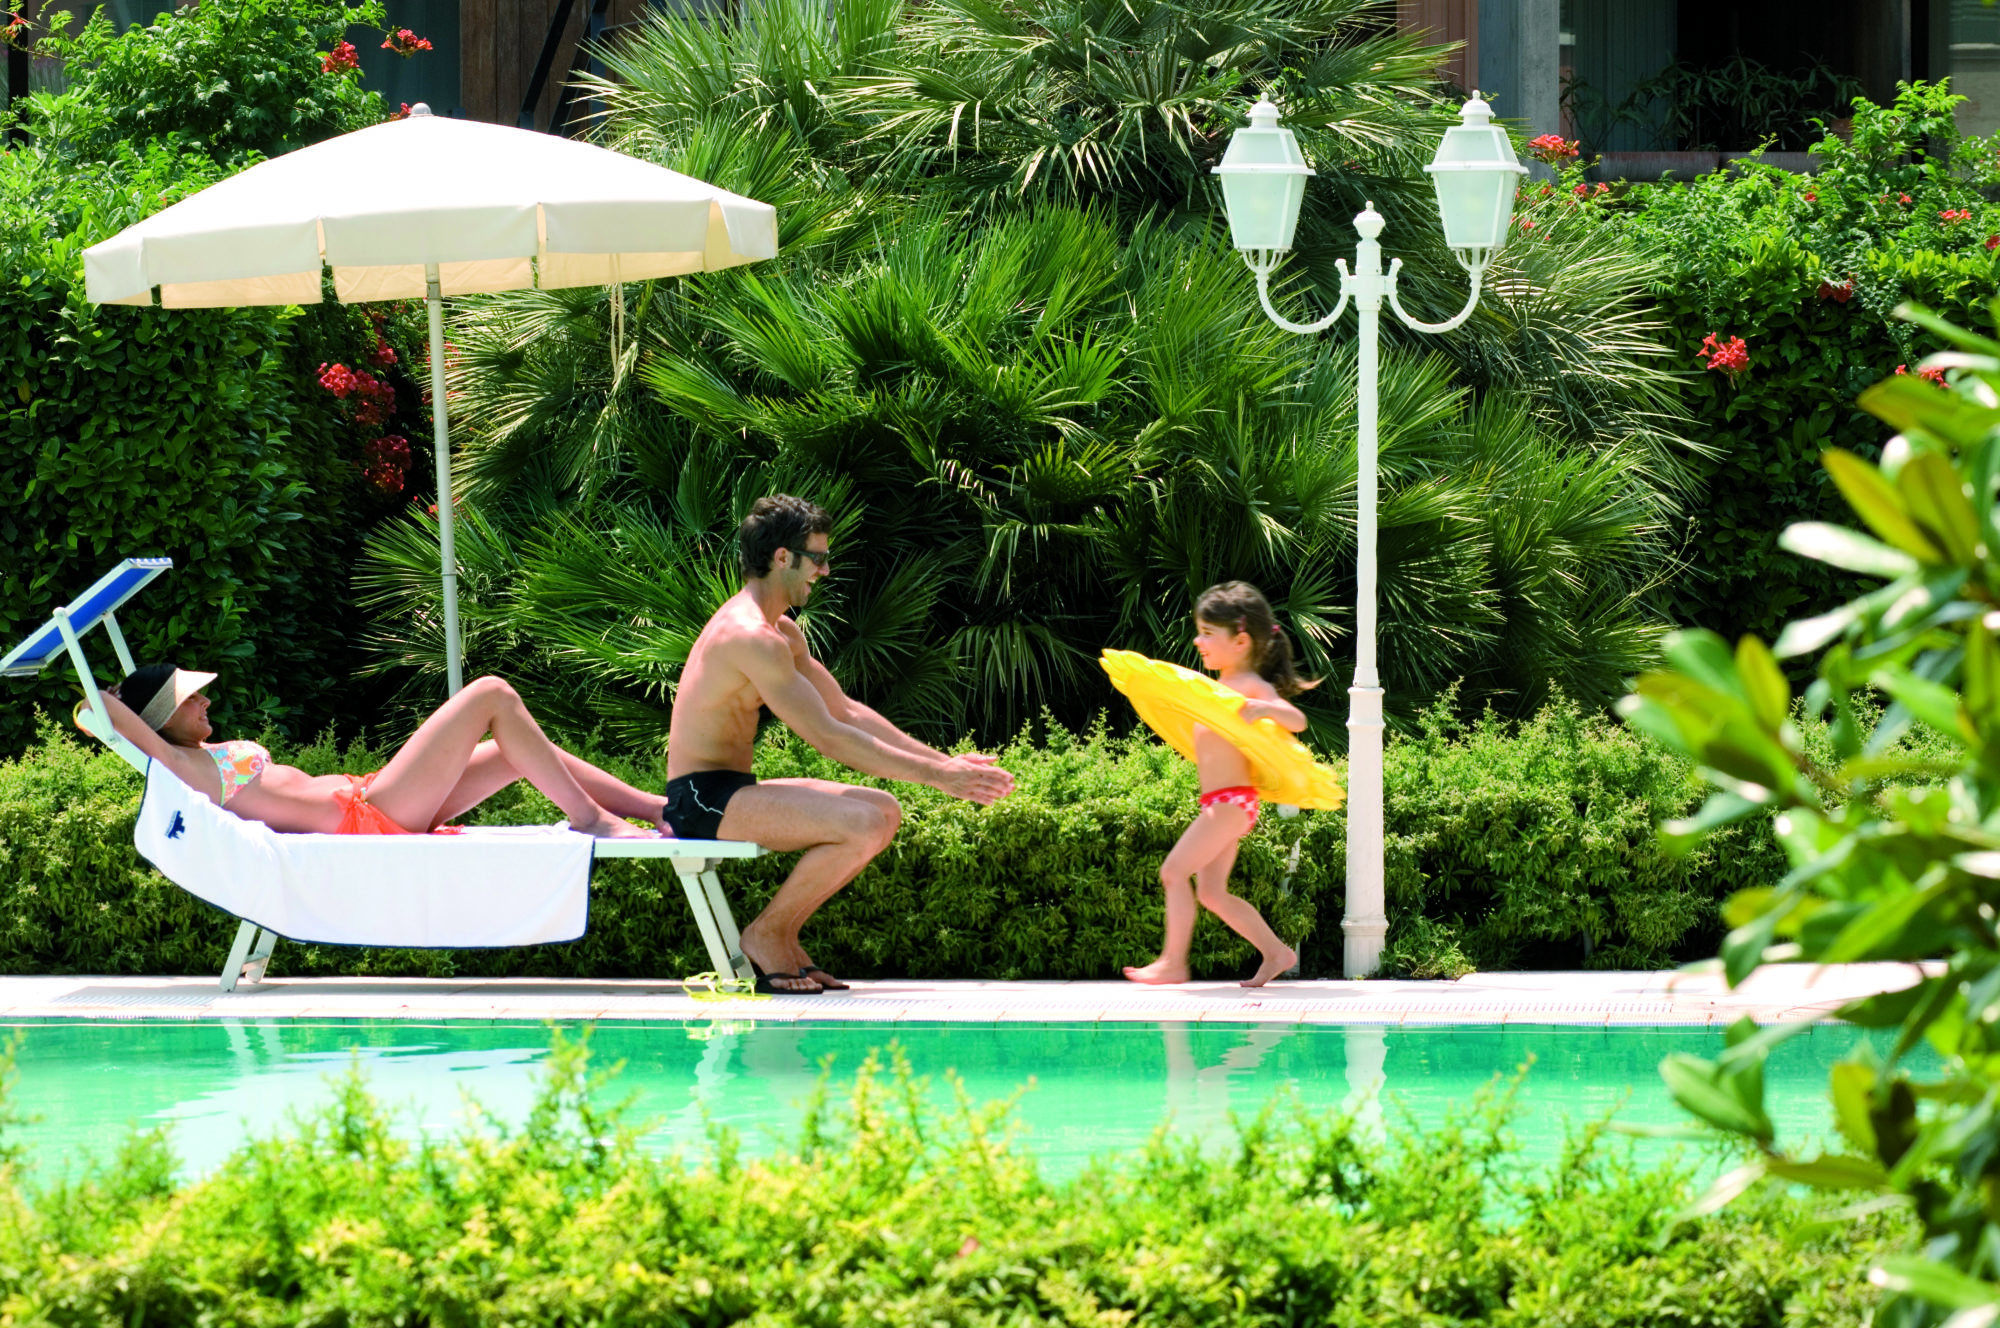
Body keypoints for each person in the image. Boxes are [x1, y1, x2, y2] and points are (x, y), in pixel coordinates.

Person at [666, 494, 1016, 993]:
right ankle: (767, 933)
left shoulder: (780, 632)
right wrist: (941, 779)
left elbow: (845, 710)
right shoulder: (749, 636)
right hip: (701, 801)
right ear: (782, 557)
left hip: (728, 790)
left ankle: (780, 934)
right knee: (865, 819)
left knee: (881, 809)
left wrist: (944, 763)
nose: (825, 571)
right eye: (818, 558)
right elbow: (829, 737)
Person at [90, 665, 662, 839]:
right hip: (366, 818)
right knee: (490, 694)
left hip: (368, 797)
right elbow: (104, 714)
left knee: (510, 748)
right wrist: (106, 700)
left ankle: (655, 808)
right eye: (191, 698)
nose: (206, 700)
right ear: (161, 718)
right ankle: (591, 819)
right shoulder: (183, 767)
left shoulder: (203, 755)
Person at [1123, 581, 1309, 989]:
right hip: (1223, 803)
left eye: (1208, 633)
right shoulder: (1215, 692)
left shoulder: (1249, 689)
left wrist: (1265, 707)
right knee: (1210, 892)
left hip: (1229, 803)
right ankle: (1277, 952)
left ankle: (1173, 962)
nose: (1198, 640)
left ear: (1240, 640)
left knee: (1173, 872)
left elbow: (1297, 720)